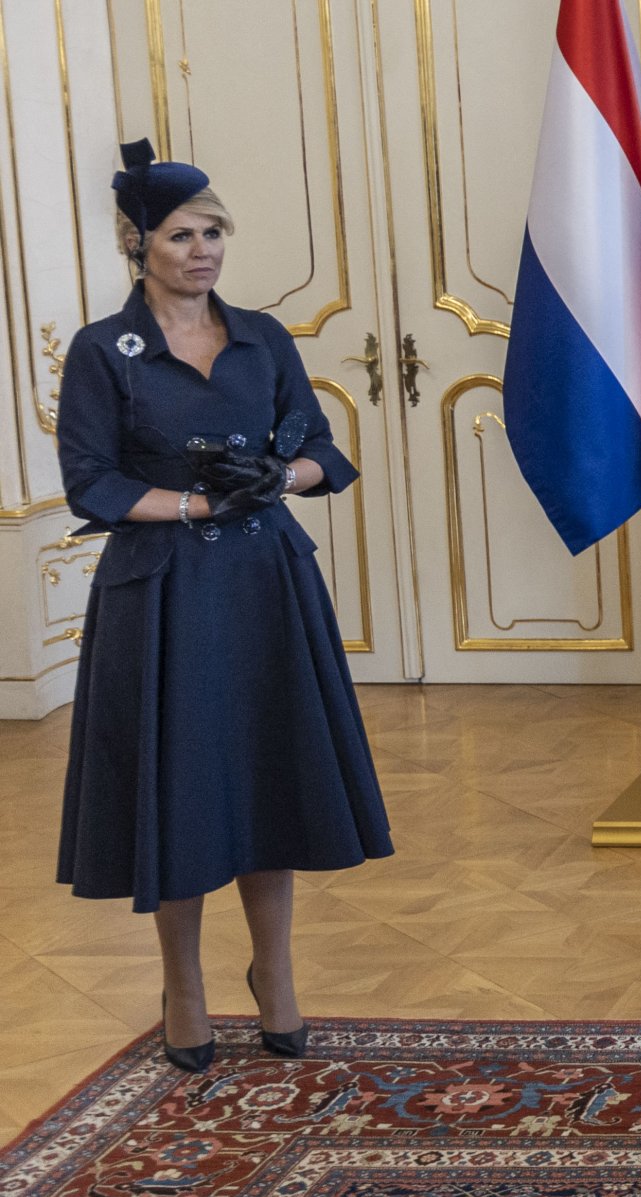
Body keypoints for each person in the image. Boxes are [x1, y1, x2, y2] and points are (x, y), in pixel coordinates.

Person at [56, 140, 393, 1073]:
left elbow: (324, 445)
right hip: (163, 593)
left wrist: (282, 473)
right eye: (180, 235)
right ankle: (185, 986)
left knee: (267, 771)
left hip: (264, 580)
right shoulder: (104, 351)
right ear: (138, 244)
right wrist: (200, 501)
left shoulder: (263, 335)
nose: (203, 250)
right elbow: (91, 482)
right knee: (185, 785)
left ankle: (275, 975)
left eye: (214, 233)